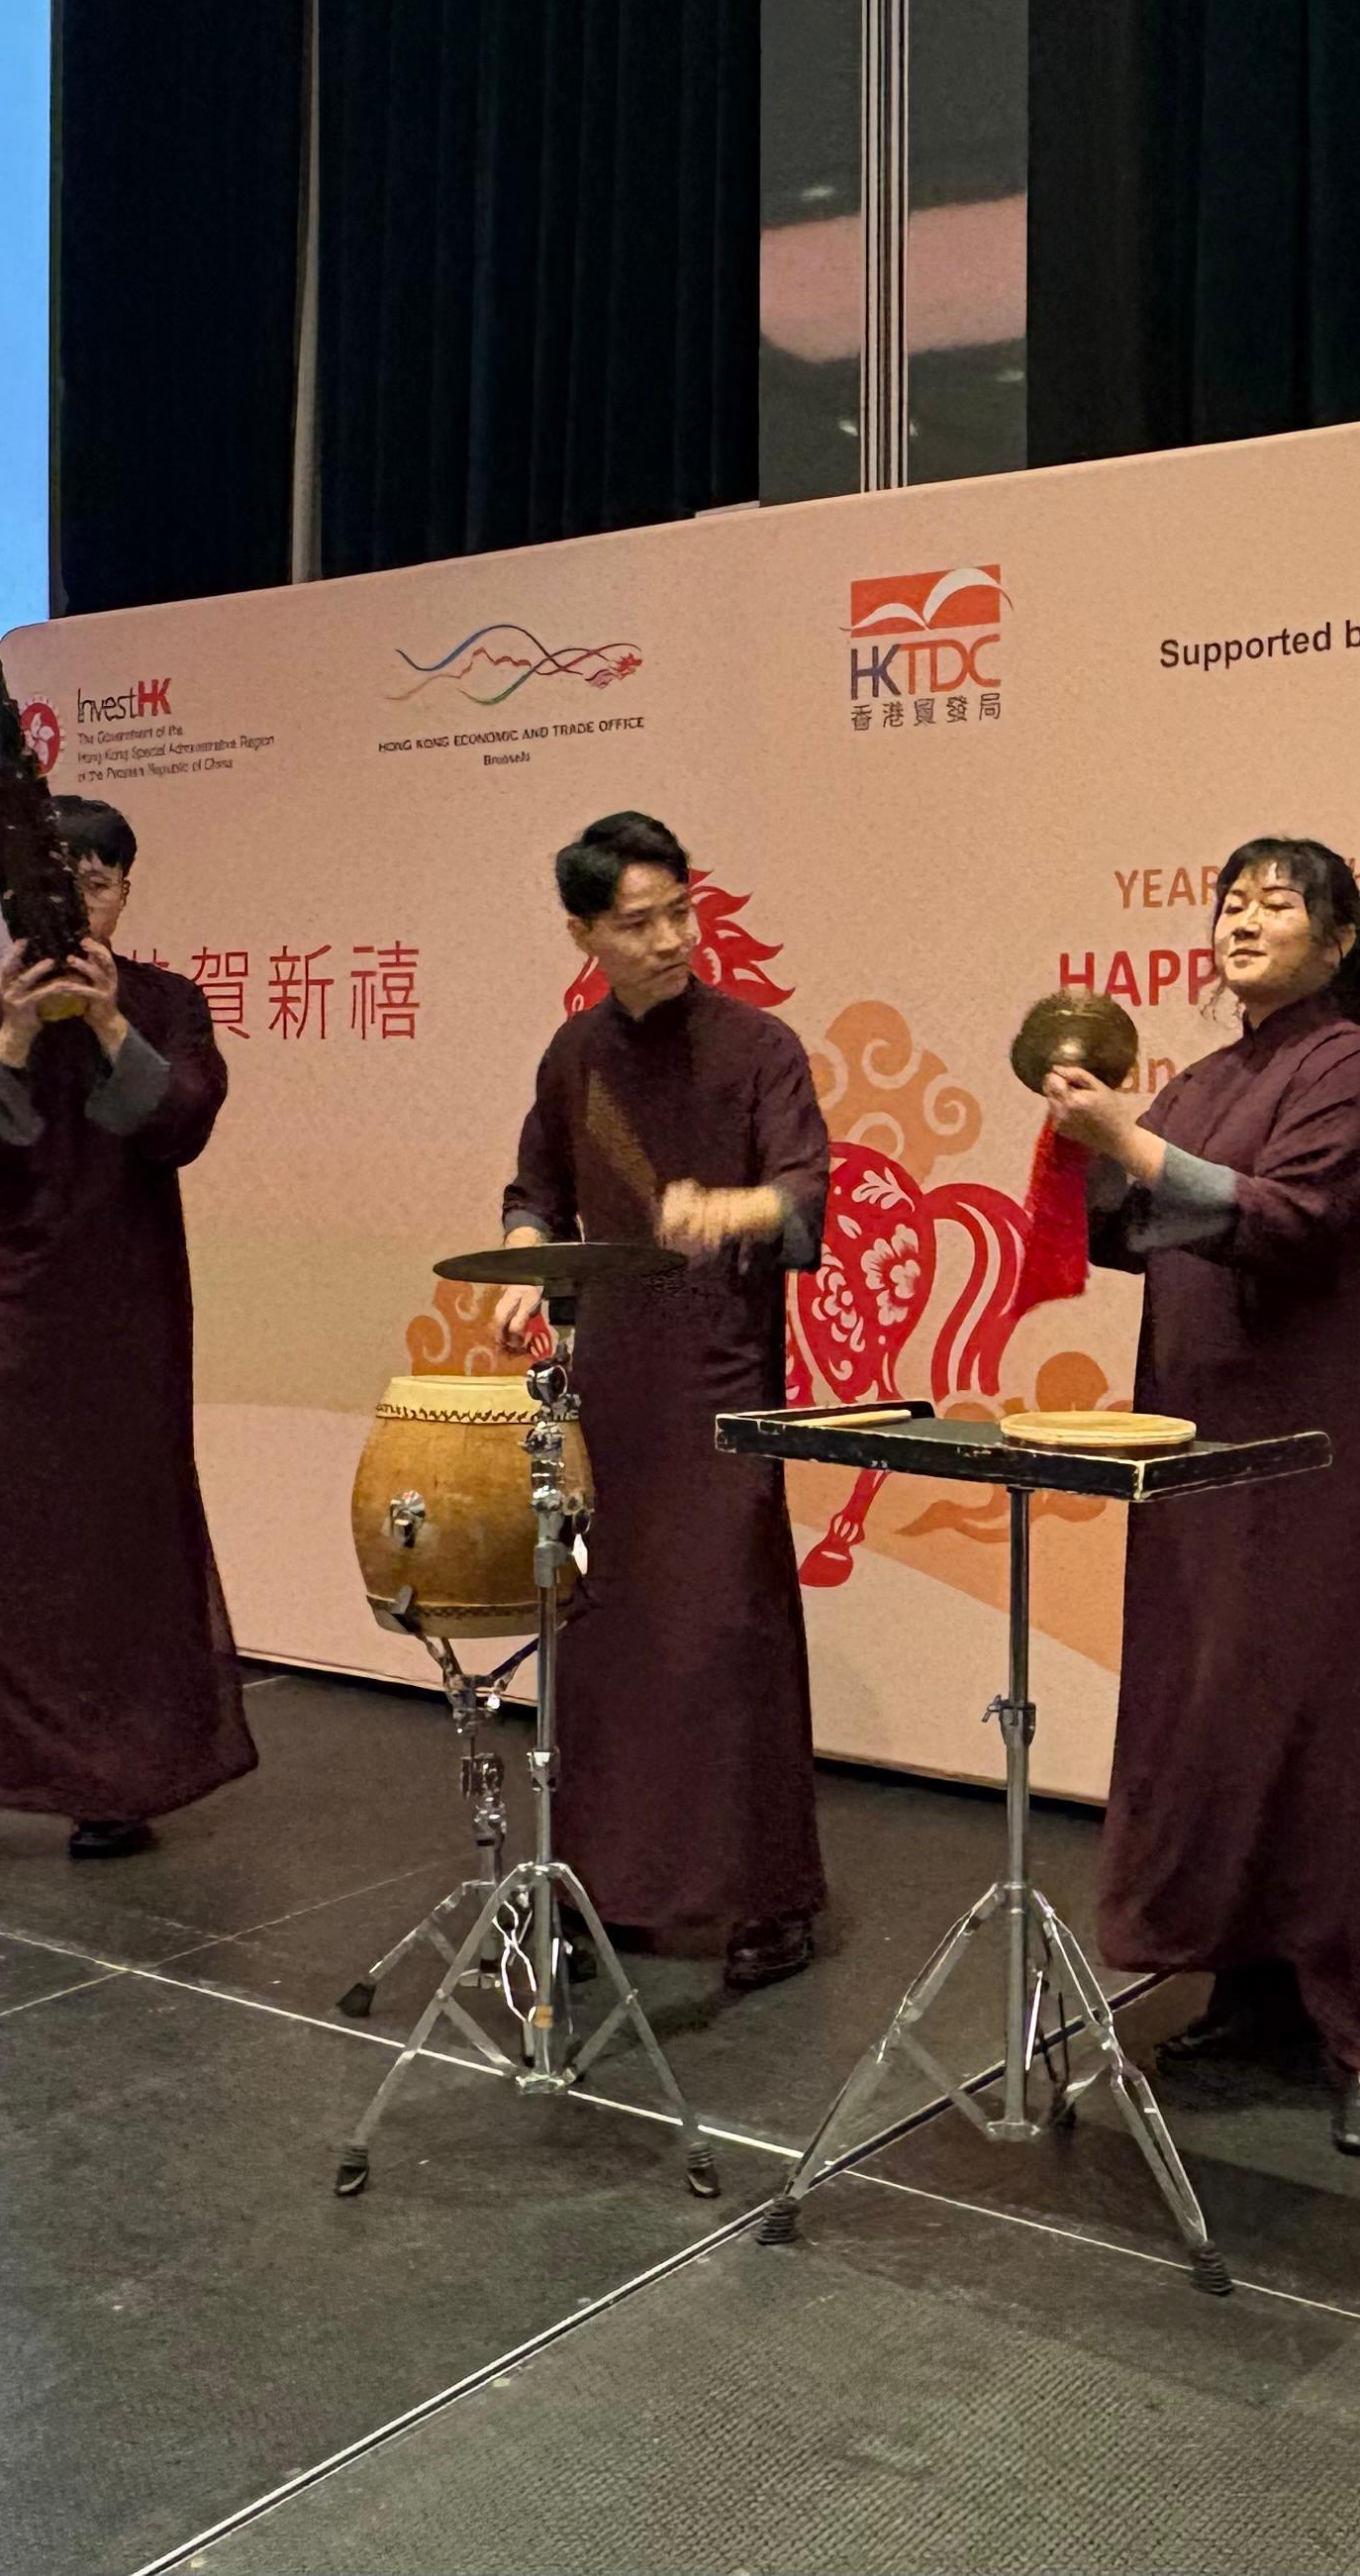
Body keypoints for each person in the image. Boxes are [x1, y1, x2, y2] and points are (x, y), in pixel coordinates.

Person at [1039, 836, 1360, 2156]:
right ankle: (1258, 1996)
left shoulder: (1356, 1066)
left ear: (1339, 939)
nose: (1243, 919)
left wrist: (1130, 1142)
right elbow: (1128, 1233)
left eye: (1277, 902)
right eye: (1231, 900)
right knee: (1218, 1714)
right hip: (1199, 1439)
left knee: (1322, 1729)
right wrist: (1088, 1138)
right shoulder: (1205, 1078)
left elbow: (1293, 1219)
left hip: (1318, 1444)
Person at [0, 795, 249, 1865]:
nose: (74, 904)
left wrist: (108, 1024)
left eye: (96, 883)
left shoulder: (166, 1002)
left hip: (130, 1306)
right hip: (9, 1303)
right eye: (51, 883)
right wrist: (20, 1033)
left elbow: (181, 1125)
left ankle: (116, 1781)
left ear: (124, 893)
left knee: (120, 1542)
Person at [489, 810, 828, 1989]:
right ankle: (603, 1886)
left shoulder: (757, 1046)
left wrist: (731, 1209)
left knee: (724, 1633)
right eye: (638, 923)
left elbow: (803, 1190)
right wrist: (526, 1263)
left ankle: (760, 1897)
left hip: (721, 1376)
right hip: (614, 1383)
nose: (672, 938)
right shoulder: (573, 1057)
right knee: (610, 1636)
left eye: (680, 911)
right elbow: (534, 1191)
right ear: (583, 932)